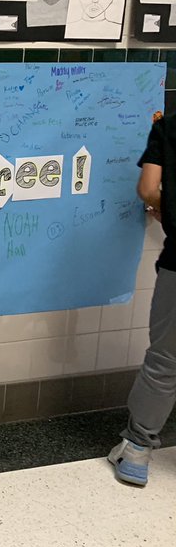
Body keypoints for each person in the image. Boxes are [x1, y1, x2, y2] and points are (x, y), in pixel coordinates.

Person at [109, 112, 176, 486]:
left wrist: (168, 209)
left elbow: (150, 188)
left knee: (166, 359)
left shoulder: (169, 127)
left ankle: (137, 450)